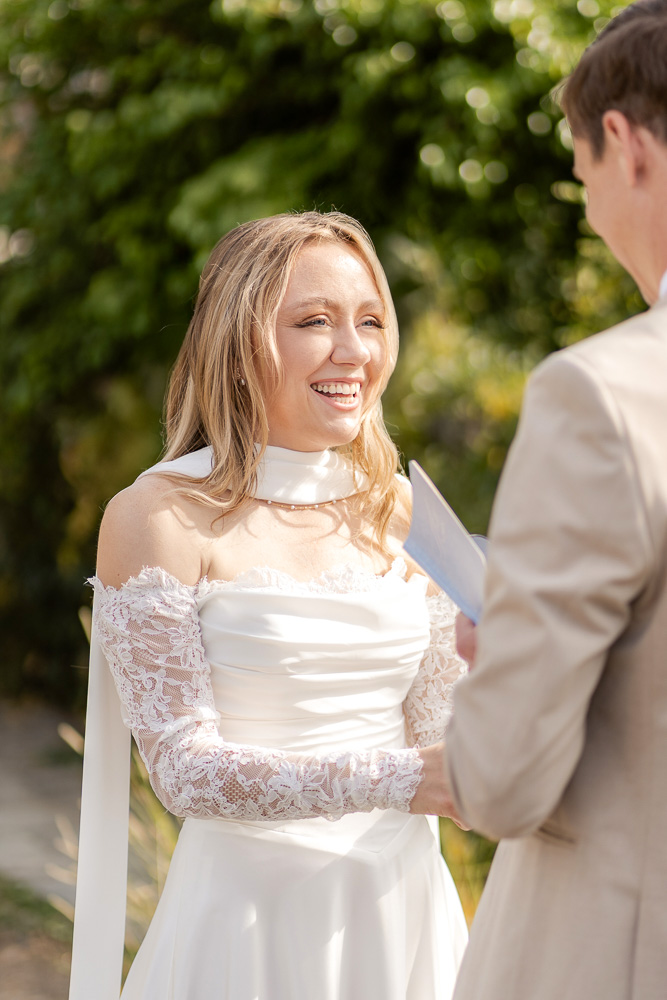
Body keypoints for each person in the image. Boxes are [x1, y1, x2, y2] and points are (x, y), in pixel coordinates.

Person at [67, 210, 468, 1000]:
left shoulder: (402, 509)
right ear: (241, 343)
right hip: (248, 925)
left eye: (370, 321)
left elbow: (439, 740)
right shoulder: (157, 516)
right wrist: (395, 780)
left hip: (401, 911)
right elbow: (183, 772)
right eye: (314, 322)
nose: (353, 351)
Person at [444, 4, 667, 999]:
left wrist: (504, 656)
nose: (588, 208)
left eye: (580, 177)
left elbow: (501, 779)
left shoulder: (602, 395)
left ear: (623, 146)